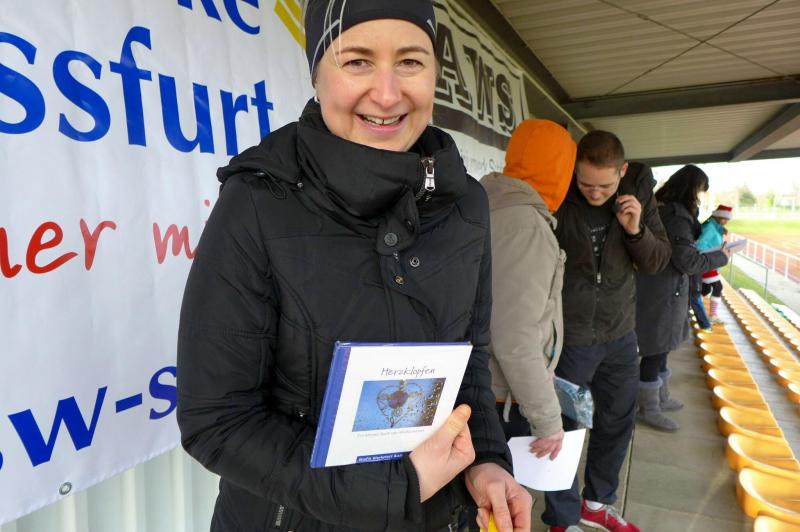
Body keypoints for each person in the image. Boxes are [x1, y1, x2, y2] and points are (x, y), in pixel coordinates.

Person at [175, 1, 532, 531]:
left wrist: (486, 461)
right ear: (317, 74)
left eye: (410, 61)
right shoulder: (258, 202)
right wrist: (396, 488)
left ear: (435, 72)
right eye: (357, 61)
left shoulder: (466, 205)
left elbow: (469, 362)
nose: (387, 94)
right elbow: (217, 421)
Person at [544, 130, 671, 532]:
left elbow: (657, 261)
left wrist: (636, 230)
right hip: (571, 338)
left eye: (605, 185)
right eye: (586, 185)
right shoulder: (558, 197)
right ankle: (563, 517)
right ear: (573, 172)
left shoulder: (639, 197)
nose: (595, 193)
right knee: (562, 429)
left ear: (623, 171)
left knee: (617, 421)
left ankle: (596, 503)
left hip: (620, 335)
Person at [481, 119, 575, 458]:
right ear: (559, 168)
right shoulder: (527, 226)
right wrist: (547, 419)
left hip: (487, 385)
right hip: (502, 397)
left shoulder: (491, 205)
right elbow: (515, 335)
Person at [634, 166, 729, 432]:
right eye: (699, 191)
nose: (699, 197)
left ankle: (659, 398)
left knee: (662, 347)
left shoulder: (671, 210)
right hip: (662, 290)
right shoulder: (675, 215)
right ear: (690, 188)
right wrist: (721, 256)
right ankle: (648, 408)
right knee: (655, 350)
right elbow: (686, 260)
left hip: (667, 289)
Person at [697, 205, 734, 324]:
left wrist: (721, 230)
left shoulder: (714, 226)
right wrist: (715, 253)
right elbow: (700, 245)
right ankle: (712, 315)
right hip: (707, 262)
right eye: (724, 219)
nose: (726, 222)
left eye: (727, 219)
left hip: (710, 262)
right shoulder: (710, 227)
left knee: (705, 289)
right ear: (717, 216)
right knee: (718, 287)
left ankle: (691, 305)